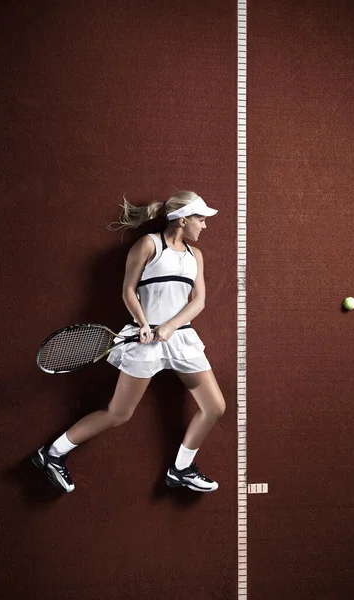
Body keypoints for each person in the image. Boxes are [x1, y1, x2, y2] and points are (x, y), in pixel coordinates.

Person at [32, 190, 226, 493]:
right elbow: (128, 291)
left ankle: (181, 469)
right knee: (119, 414)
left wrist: (171, 326)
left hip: (181, 338)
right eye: (201, 219)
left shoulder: (195, 256)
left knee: (214, 407)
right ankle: (52, 454)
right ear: (183, 219)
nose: (204, 225)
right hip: (145, 340)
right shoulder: (148, 245)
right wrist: (145, 325)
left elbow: (198, 301)